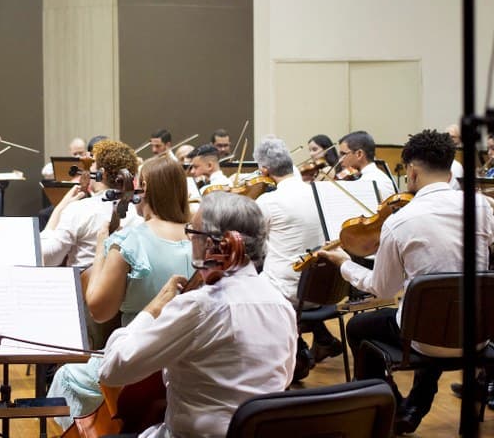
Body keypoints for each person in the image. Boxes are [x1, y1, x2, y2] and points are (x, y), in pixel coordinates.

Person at [318, 129, 494, 435]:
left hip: (425, 340)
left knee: (359, 327)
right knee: (441, 306)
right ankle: (418, 402)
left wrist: (345, 265)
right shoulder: (482, 207)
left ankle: (396, 407)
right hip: (478, 334)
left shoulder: (401, 220)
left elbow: (382, 288)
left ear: (411, 172)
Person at [98, 192, 297, 438]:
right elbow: (284, 377)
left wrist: (152, 310)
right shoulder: (281, 303)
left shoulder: (199, 306)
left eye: (193, 233)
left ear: (213, 244)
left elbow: (113, 370)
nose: (190, 240)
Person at [48, 155, 194, 429]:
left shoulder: (129, 240)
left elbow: (99, 311)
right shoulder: (196, 238)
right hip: (184, 360)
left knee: (67, 376)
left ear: (144, 189)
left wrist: (102, 245)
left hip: (139, 361)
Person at [253, 136, 340, 380]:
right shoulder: (320, 192)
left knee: (244, 280)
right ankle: (302, 349)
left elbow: (255, 244)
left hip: (288, 294)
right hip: (325, 290)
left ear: (264, 170)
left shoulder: (268, 201)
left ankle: (289, 356)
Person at [40, 139, 143, 267]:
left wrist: (59, 208)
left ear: (102, 174)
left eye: (93, 164)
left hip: (84, 286)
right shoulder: (138, 216)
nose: (88, 169)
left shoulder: (78, 210)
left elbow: (46, 258)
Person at [338, 130, 396, 199]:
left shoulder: (366, 182)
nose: (340, 160)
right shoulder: (380, 177)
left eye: (343, 154)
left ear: (359, 154)